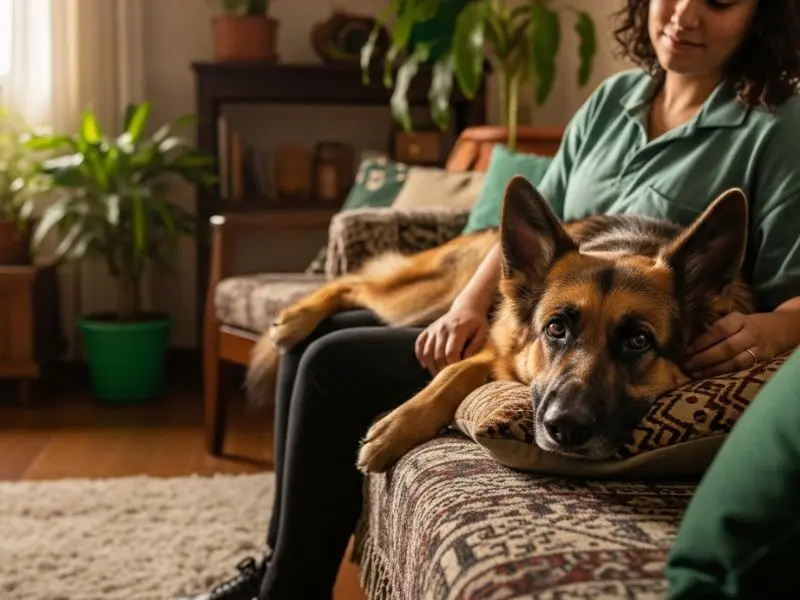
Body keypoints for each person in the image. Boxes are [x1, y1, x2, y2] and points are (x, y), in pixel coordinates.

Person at [180, 0, 800, 598]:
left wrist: (774, 330)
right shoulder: (614, 100)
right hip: (542, 316)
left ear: (761, 14)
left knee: (330, 365)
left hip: (614, 326)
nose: (685, 14)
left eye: (719, 1)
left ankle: (287, 588)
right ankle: (278, 574)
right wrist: (469, 306)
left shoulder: (779, 124)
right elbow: (531, 236)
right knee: (318, 338)